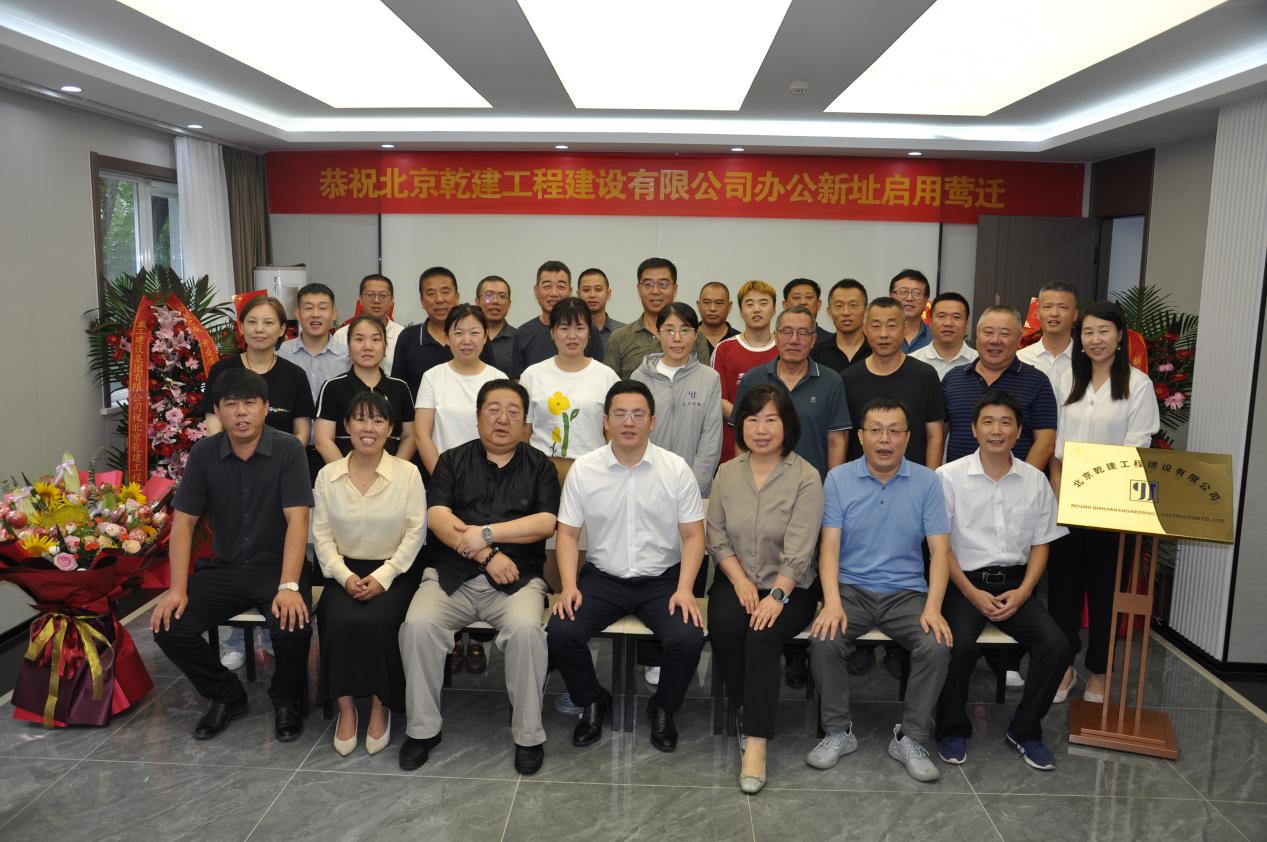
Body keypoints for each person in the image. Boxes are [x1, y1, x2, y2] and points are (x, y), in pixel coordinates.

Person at [398, 380, 561, 774]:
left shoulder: (540, 465)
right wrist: (488, 556)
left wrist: (487, 533)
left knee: (526, 633)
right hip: (451, 577)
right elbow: (438, 518)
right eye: (493, 410)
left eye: (513, 412)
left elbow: (545, 522)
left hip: (517, 581)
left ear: (525, 423)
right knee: (417, 626)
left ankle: (528, 736)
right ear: (477, 418)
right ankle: (422, 730)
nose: (502, 419)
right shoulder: (452, 460)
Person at [151, 368, 314, 742]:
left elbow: (298, 520)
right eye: (231, 405)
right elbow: (183, 524)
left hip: (276, 567)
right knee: (169, 626)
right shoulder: (204, 453)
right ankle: (227, 694)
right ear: (218, 411)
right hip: (224, 568)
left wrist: (289, 585)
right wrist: (177, 589)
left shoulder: (288, 449)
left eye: (250, 404)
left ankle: (285, 699)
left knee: (293, 625)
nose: (241, 413)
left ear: (266, 408)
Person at [547, 381, 706, 752]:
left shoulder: (675, 469)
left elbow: (694, 536)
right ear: (606, 421)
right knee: (561, 631)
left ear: (652, 420)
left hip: (662, 581)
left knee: (687, 638)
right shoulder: (585, 469)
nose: (628, 422)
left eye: (638, 414)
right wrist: (569, 586)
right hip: (603, 578)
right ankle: (592, 700)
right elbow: (567, 534)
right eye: (620, 414)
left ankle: (663, 706)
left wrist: (685, 589)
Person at [807, 396, 953, 783]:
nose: (884, 439)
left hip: (906, 593)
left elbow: (940, 551)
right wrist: (832, 602)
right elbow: (829, 546)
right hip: (851, 589)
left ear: (908, 437)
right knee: (824, 639)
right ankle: (838, 732)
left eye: (893, 431)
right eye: (875, 430)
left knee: (936, 644)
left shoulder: (927, 481)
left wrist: (933, 608)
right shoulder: (838, 479)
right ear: (861, 436)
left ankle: (911, 738)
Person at [934, 390, 1071, 771]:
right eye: (989, 422)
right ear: (973, 429)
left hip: (1015, 585)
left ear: (1019, 432)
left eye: (1006, 423)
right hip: (963, 583)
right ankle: (951, 728)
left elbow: (1042, 543)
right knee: (956, 646)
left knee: (1057, 646)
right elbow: (941, 547)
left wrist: (1024, 591)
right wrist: (971, 592)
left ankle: (1025, 730)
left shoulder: (1034, 480)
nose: (997, 430)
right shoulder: (948, 477)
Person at [706, 385, 824, 793]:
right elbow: (716, 534)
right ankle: (748, 708)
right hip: (736, 575)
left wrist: (776, 596)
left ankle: (755, 741)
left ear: (787, 424)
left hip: (792, 584)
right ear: (740, 425)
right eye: (753, 419)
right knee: (724, 626)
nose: (761, 429)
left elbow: (801, 547)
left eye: (771, 419)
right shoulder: (727, 472)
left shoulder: (806, 476)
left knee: (762, 635)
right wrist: (739, 580)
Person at [1049, 300, 1159, 705]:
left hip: (1112, 506)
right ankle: (1063, 666)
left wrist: (1101, 493)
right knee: (1062, 590)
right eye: (1088, 332)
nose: (1095, 339)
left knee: (1104, 592)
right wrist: (1059, 491)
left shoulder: (1138, 385)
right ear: (1079, 338)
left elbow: (1137, 447)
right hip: (1067, 501)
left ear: (1120, 336)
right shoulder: (1066, 378)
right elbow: (1055, 444)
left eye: (1104, 331)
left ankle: (1099, 670)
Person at [312, 391, 427, 756]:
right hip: (344, 569)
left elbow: (416, 533)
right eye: (360, 419)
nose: (369, 428)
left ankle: (381, 705)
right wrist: (343, 575)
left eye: (378, 421)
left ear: (391, 429)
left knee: (381, 621)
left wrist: (384, 576)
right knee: (336, 618)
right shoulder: (327, 475)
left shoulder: (407, 474)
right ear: (346, 426)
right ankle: (346, 708)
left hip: (395, 569)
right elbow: (321, 536)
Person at [732, 305, 851, 481]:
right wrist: (743, 481)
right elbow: (741, 437)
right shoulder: (753, 378)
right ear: (776, 336)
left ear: (813, 340)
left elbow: (836, 442)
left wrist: (833, 487)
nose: (794, 340)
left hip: (812, 485)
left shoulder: (831, 381)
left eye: (802, 333)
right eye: (787, 332)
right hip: (760, 485)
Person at [942, 306, 1058, 469]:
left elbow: (1045, 442)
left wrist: (1025, 479)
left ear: (1019, 338)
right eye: (988, 332)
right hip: (958, 482)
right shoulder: (953, 378)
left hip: (1016, 481)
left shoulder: (1037, 381)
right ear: (977, 334)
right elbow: (937, 435)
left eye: (1004, 334)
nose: (995, 340)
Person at [631, 303, 724, 497]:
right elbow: (634, 435)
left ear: (696, 335)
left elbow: (711, 439)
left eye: (685, 330)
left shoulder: (709, 378)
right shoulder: (640, 377)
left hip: (694, 489)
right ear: (658, 333)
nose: (677, 338)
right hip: (647, 486)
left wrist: (693, 487)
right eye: (669, 330)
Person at [841, 298, 944, 468]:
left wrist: (930, 477)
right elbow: (842, 438)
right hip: (860, 477)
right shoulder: (848, 378)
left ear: (905, 329)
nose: (883, 334)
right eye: (876, 326)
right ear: (865, 330)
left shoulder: (925, 375)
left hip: (913, 477)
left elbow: (935, 435)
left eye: (891, 326)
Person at [201, 296, 314, 445]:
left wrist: (283, 458)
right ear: (241, 327)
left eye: (268, 323)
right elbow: (214, 431)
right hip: (230, 458)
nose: (259, 329)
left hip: (283, 458)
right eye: (252, 322)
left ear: (281, 329)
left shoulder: (295, 375)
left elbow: (302, 434)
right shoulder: (221, 370)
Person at [520, 298, 620, 461]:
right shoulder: (532, 375)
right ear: (552, 332)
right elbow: (524, 432)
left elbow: (612, 435)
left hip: (592, 468)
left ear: (589, 333)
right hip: (542, 469)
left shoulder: (607, 378)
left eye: (580, 328)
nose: (572, 336)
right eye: (564, 328)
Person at [413, 304, 507, 477]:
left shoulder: (499, 379)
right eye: (458, 333)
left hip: (491, 477)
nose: (466, 340)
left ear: (485, 337)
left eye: (474, 333)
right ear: (447, 338)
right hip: (444, 475)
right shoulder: (432, 377)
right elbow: (421, 434)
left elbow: (506, 434)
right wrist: (443, 479)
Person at [315, 315, 416, 463]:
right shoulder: (333, 387)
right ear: (348, 347)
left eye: (375, 339)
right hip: (344, 472)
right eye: (359, 339)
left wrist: (394, 471)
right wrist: (346, 473)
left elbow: (410, 437)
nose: (367, 346)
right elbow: (323, 441)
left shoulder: (400, 387)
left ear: (385, 347)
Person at [277, 283, 349, 482]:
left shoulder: (347, 356)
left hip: (337, 450)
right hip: (292, 450)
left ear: (334, 314)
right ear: (297, 314)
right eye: (308, 308)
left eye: (323, 308)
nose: (315, 314)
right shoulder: (281, 355)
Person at [391, 267, 493, 396]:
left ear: (457, 297)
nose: (439, 299)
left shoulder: (475, 337)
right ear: (422, 301)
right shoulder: (408, 337)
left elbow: (491, 381)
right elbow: (398, 389)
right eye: (431, 294)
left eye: (445, 292)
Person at [606, 257, 711, 378]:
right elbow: (611, 385)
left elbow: (704, 380)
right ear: (639, 289)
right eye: (648, 285)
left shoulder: (695, 334)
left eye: (663, 284)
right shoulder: (620, 338)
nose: (655, 291)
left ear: (674, 289)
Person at [712, 280, 779, 463]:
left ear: (774, 309)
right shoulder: (724, 349)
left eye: (763, 303)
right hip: (733, 445)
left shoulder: (786, 348)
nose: (756, 309)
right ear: (741, 312)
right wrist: (751, 421)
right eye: (749, 304)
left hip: (778, 446)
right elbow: (718, 399)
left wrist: (764, 423)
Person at [510, 261, 602, 378]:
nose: (554, 293)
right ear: (536, 291)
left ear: (570, 291)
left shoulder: (588, 330)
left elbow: (598, 373)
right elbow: (517, 381)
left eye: (561, 287)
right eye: (547, 286)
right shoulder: (523, 333)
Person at [1017, 281, 1078, 391]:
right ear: (1038, 313)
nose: (1054, 313)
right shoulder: (1020, 359)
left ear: (1075, 315)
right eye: (1048, 307)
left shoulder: (1086, 360)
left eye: (1062, 307)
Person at [335, 274, 404, 364]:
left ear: (392, 300)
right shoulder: (342, 335)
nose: (376, 300)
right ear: (360, 299)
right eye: (370, 295)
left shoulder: (403, 335)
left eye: (382, 295)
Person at [910, 292, 978, 380]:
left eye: (956, 317)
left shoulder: (978, 362)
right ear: (930, 322)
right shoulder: (912, 361)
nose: (948, 323)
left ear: (966, 325)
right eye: (941, 316)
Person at [812, 278, 871, 373]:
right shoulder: (815, 353)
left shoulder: (877, 350)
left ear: (866, 310)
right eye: (839, 306)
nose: (846, 312)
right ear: (829, 312)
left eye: (853, 305)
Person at [577, 267, 625, 356]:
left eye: (598, 289)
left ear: (608, 294)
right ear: (578, 295)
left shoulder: (624, 332)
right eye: (586, 290)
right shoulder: (570, 334)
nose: (592, 295)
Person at [476, 275, 517, 375]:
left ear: (509, 304)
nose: (495, 301)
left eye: (502, 296)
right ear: (477, 302)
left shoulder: (519, 338)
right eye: (488, 295)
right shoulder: (466, 338)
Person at [890, 269, 933, 352]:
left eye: (916, 293)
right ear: (891, 296)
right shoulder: (877, 337)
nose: (909, 298)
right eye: (902, 292)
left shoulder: (935, 339)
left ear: (926, 300)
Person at [783, 278, 833, 344]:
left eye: (809, 297)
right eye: (796, 297)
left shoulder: (833, 342)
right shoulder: (774, 341)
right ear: (785, 305)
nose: (803, 302)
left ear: (818, 304)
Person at [696, 281, 739, 353]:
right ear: (698, 305)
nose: (712, 308)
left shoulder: (741, 341)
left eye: (719, 303)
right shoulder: (687, 338)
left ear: (729, 306)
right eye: (707, 302)